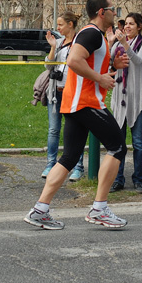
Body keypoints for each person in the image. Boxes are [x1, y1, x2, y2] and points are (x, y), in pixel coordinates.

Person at [24, 0, 130, 230]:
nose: (116, 13)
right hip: (86, 102)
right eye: (113, 9)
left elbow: (88, 64)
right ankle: (99, 208)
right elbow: (73, 61)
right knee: (118, 147)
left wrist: (112, 67)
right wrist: (100, 78)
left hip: (75, 102)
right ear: (102, 12)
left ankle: (40, 210)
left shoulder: (98, 36)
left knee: (69, 158)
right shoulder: (91, 33)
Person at [109, 13, 142, 194]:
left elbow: (137, 60)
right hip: (120, 98)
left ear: (139, 26)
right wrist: (111, 43)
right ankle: (118, 179)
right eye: (125, 24)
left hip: (136, 99)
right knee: (118, 143)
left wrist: (124, 44)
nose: (127, 27)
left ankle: (138, 179)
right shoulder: (118, 44)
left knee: (138, 142)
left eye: (131, 24)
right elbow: (109, 63)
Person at [42, 12, 85, 182]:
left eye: (60, 24)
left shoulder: (80, 43)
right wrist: (52, 47)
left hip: (73, 94)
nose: (57, 28)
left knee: (75, 133)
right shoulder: (58, 43)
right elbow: (48, 65)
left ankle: (78, 167)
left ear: (70, 24)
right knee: (53, 130)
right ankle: (50, 164)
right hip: (56, 93)